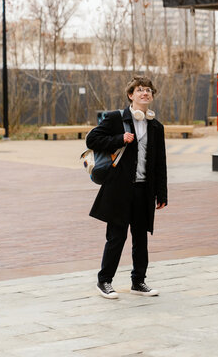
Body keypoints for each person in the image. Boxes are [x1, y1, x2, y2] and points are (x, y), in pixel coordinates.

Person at [86, 75, 168, 299]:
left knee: (141, 238)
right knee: (116, 237)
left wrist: (161, 193)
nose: (145, 93)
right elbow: (92, 140)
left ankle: (138, 281)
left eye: (149, 90)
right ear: (131, 95)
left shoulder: (156, 127)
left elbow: (160, 163)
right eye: (140, 89)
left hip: (144, 190)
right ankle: (104, 281)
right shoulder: (115, 119)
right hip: (119, 190)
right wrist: (120, 139)